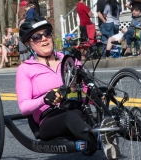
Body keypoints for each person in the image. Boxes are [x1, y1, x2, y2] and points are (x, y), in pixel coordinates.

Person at [16, 16, 102, 157]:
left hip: (77, 110)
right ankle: (100, 140)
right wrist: (44, 99)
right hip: (49, 120)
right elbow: (24, 107)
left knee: (105, 115)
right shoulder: (25, 69)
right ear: (28, 43)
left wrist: (98, 97)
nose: (44, 38)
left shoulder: (69, 60)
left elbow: (86, 89)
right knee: (70, 116)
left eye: (47, 34)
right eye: (37, 37)